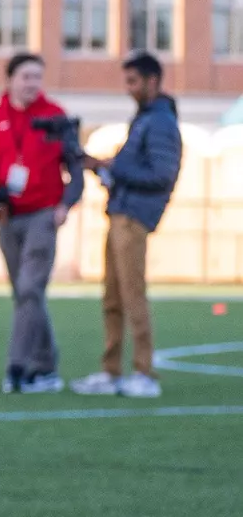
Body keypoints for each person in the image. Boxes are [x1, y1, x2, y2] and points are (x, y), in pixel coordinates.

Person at [72, 51, 183, 400]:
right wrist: (103, 168)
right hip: (119, 212)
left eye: (133, 81)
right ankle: (111, 370)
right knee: (112, 297)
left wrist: (114, 168)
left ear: (153, 81)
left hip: (134, 218)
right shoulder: (144, 119)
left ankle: (143, 372)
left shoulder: (161, 123)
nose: (128, 88)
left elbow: (161, 175)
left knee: (132, 296)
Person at [0, 53, 83, 394]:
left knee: (31, 289)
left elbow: (75, 167)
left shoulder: (56, 117)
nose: (32, 83)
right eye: (26, 76)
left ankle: (18, 368)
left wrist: (65, 205)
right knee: (24, 294)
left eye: (38, 76)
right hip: (8, 217)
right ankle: (47, 368)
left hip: (43, 214)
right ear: (10, 80)